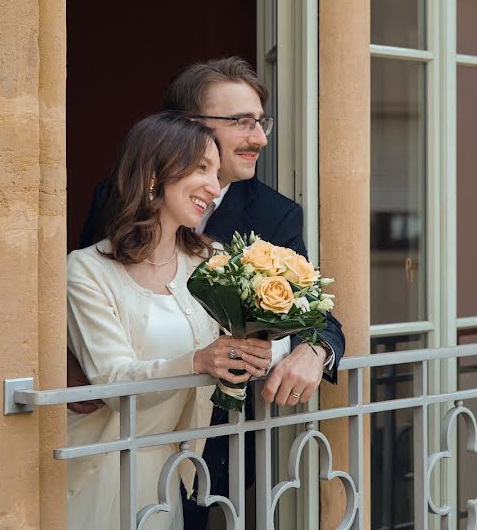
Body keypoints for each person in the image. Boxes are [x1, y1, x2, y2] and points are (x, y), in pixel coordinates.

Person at [74, 58, 346, 528]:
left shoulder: (272, 216)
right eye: (243, 122)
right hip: (114, 441)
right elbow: (93, 303)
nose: (260, 138)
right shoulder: (112, 201)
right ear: (184, 127)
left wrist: (312, 350)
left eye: (262, 122)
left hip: (212, 454)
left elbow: (312, 315)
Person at [65, 112, 289, 530]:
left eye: (215, 170)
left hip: (171, 476)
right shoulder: (86, 270)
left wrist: (268, 349)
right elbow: (113, 381)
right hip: (98, 471)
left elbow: (272, 334)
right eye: (201, 168)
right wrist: (198, 361)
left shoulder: (212, 262)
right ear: (154, 174)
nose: (213, 183)